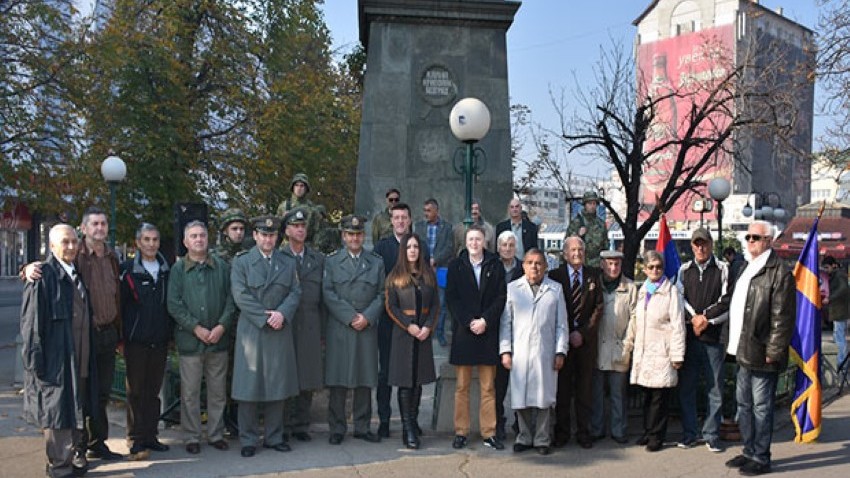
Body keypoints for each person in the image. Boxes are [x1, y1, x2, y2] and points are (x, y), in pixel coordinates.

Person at [24, 207, 123, 461]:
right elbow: (49, 272)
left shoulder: (112, 257)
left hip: (104, 336)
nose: (100, 228)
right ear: (84, 228)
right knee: (72, 397)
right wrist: (27, 268)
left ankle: (96, 443)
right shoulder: (76, 259)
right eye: (95, 224)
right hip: (74, 341)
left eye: (103, 223)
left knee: (97, 395)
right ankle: (73, 452)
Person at [22, 224, 97, 478]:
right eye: (65, 242)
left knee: (75, 408)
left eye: (74, 241)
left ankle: (71, 460)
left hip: (80, 358)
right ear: (51, 246)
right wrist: (36, 367)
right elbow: (31, 327)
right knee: (57, 415)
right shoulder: (42, 277)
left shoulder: (76, 272)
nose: (71, 246)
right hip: (56, 362)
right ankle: (59, 468)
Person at [724, 221, 795, 476]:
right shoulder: (745, 266)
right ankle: (748, 449)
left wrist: (774, 351)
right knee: (743, 404)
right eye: (748, 237)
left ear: (769, 240)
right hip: (742, 348)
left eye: (755, 237)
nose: (750, 241)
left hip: (762, 351)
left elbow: (782, 318)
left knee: (761, 407)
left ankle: (761, 456)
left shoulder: (779, 271)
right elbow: (732, 301)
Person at [230, 215, 302, 457]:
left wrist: (282, 314)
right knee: (248, 387)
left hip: (279, 330)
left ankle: (274, 436)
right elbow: (240, 295)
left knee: (277, 386)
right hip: (252, 331)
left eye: (272, 235)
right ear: (256, 236)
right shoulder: (242, 262)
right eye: (264, 234)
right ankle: (248, 439)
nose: (268, 238)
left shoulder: (287, 262)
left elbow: (295, 292)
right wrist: (265, 317)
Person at [167, 221, 236, 455]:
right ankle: (192, 436)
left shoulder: (222, 267)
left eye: (202, 235)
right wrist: (196, 328)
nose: (198, 239)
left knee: (217, 392)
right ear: (185, 242)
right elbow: (173, 304)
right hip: (190, 343)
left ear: (208, 239)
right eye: (193, 236)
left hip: (218, 341)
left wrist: (221, 326)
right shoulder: (177, 270)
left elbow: (231, 299)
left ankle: (216, 434)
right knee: (190, 394)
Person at [323, 215, 386, 445]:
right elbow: (328, 293)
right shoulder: (331, 262)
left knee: (364, 378)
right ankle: (337, 427)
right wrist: (350, 317)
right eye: (350, 234)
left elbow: (382, 293)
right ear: (343, 236)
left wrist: (367, 317)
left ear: (363, 236)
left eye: (358, 234)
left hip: (366, 327)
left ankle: (362, 426)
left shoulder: (376, 262)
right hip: (340, 327)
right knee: (338, 379)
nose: (355, 238)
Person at [499, 249, 569, 455]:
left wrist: (560, 351)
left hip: (545, 352)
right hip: (520, 352)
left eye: (539, 263)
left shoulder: (554, 290)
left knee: (543, 398)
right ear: (523, 265)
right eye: (530, 262)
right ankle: (524, 437)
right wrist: (505, 350)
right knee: (520, 397)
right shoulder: (513, 289)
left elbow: (561, 325)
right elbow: (506, 323)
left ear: (545, 266)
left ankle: (542, 439)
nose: (534, 267)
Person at [445, 225, 507, 450]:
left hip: (487, 332)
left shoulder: (495, 264)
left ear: (485, 242)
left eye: (478, 239)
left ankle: (489, 432)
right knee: (461, 387)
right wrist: (469, 321)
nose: (474, 243)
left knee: (488, 387)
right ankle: (461, 431)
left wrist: (485, 321)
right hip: (464, 333)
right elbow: (451, 298)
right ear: (465, 241)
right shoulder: (456, 265)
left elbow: (501, 297)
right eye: (470, 239)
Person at [621, 250, 686, 452]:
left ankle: (657, 436)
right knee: (647, 396)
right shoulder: (642, 291)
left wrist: (677, 354)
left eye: (658, 266)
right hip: (645, 351)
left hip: (663, 351)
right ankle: (648, 431)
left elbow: (678, 324)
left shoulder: (671, 292)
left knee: (660, 397)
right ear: (645, 268)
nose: (655, 270)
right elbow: (636, 322)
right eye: (651, 267)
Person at [675, 227, 731, 453]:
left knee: (715, 389)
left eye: (704, 243)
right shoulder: (684, 270)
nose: (700, 247)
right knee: (686, 388)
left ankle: (711, 435)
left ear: (711, 244)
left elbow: (727, 300)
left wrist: (706, 319)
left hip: (713, 338)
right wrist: (694, 319)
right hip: (690, 337)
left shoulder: (722, 269)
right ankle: (690, 434)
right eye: (697, 244)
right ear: (691, 246)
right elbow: (680, 299)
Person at [373, 203, 427, 437]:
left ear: (410, 219)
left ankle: (411, 422)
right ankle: (385, 420)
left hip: (415, 322)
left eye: (404, 217)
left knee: (414, 373)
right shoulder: (382, 247)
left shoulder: (419, 245)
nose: (401, 221)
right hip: (389, 320)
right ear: (391, 221)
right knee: (386, 373)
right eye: (397, 218)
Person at [119, 223, 171, 458]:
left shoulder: (166, 269)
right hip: (136, 341)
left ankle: (151, 436)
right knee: (135, 392)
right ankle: (135, 438)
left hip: (159, 341)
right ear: (138, 242)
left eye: (155, 240)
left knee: (153, 391)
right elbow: (119, 306)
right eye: (147, 240)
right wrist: (122, 338)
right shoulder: (127, 270)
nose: (151, 244)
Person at [384, 233, 440, 449]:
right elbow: (391, 307)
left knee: (418, 382)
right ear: (403, 251)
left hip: (423, 335)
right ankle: (407, 428)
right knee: (405, 382)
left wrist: (427, 327)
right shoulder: (394, 276)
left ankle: (414, 420)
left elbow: (435, 304)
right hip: (403, 335)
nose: (413, 250)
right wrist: (409, 325)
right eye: (409, 247)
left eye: (416, 246)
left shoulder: (428, 275)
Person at [548, 236, 604, 448]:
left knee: (584, 390)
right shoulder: (555, 276)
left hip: (585, 344)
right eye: (572, 250)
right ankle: (561, 433)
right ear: (564, 253)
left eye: (580, 249)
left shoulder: (593, 276)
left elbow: (598, 308)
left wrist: (582, 333)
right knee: (562, 391)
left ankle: (583, 432)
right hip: (562, 343)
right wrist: (568, 334)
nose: (577, 253)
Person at [280, 208, 325, 443]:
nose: (300, 229)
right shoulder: (279, 257)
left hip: (310, 320)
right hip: (287, 321)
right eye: (295, 226)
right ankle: (284, 425)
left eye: (302, 226)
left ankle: (301, 424)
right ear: (287, 230)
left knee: (307, 375)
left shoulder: (318, 258)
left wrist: (323, 330)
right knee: (287, 374)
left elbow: (324, 296)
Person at [590, 249, 637, 445]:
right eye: (609, 264)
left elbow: (635, 317)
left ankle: (619, 430)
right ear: (602, 265)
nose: (613, 267)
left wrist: (628, 342)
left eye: (616, 264)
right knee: (597, 393)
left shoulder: (630, 287)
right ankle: (597, 429)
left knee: (618, 394)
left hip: (620, 346)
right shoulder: (593, 285)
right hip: (597, 347)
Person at [494, 230, 524, 441]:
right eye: (503, 245)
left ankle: (519, 422)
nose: (507, 248)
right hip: (496, 330)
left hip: (520, 331)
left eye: (511, 245)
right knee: (499, 384)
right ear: (498, 248)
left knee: (520, 381)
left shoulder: (524, 268)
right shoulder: (492, 267)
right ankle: (498, 422)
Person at [414, 198, 454, 346]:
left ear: (436, 211)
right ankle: (426, 330)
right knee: (424, 301)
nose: (426, 213)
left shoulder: (447, 227)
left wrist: (435, 259)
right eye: (424, 210)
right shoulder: (418, 227)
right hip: (423, 270)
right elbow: (416, 245)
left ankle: (440, 332)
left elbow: (449, 248)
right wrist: (425, 261)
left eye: (429, 211)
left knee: (441, 303)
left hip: (441, 269)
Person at [565, 191, 609, 268]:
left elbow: (606, 245)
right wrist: (578, 235)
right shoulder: (577, 222)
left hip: (597, 265)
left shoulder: (601, 224)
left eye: (594, 203)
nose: (592, 206)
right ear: (585, 205)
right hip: (580, 265)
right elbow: (567, 243)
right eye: (589, 203)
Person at [276, 173, 322, 242]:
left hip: (306, 245)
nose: (299, 188)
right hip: (287, 245)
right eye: (296, 185)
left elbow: (316, 231)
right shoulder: (284, 206)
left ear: (306, 188)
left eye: (302, 186)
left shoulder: (312, 208)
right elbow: (277, 230)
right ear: (293, 187)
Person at [823, 255, 848, 366]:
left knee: (839, 336)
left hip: (840, 311)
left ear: (833, 265)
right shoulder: (836, 275)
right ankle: (841, 360)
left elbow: (843, 289)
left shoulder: (839, 275)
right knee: (838, 335)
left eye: (827, 267)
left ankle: (841, 361)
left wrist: (830, 298)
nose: (826, 270)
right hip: (838, 310)